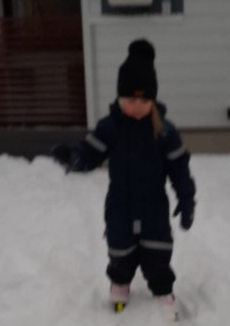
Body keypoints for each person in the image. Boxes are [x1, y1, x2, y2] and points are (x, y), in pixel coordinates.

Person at [52, 39, 196, 309]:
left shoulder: (164, 131)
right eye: (131, 99)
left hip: (154, 206)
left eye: (144, 100)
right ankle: (120, 282)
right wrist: (75, 157)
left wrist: (186, 198)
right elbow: (91, 152)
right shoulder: (111, 127)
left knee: (158, 250)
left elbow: (179, 167)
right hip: (120, 205)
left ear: (152, 100)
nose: (137, 105)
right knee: (120, 249)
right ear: (120, 97)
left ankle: (162, 288)